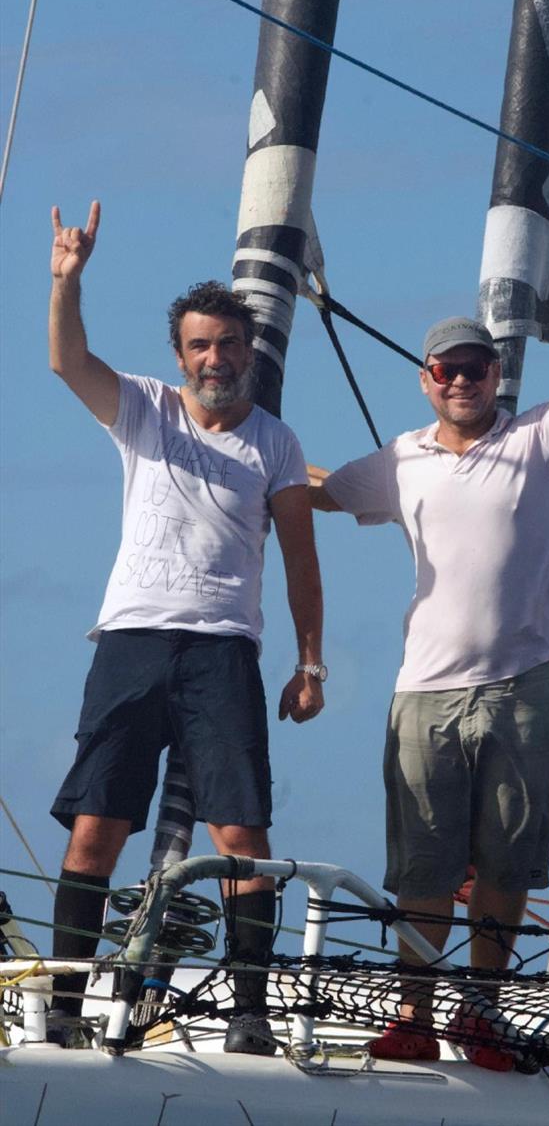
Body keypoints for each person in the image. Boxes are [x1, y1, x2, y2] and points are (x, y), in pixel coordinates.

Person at [309, 246, 549, 1070]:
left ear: (495, 373)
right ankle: (414, 1016)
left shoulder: (546, 435)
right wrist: (246, 470)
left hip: (522, 687)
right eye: (446, 368)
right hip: (427, 696)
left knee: (508, 863)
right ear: (426, 378)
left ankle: (480, 1014)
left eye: (475, 367)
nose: (461, 380)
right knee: (425, 868)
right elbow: (324, 492)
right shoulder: (401, 459)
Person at [47, 201, 326, 1054]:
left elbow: (300, 558)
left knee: (240, 834)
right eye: (201, 346)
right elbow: (67, 362)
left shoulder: (275, 443)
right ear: (181, 356)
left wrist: (311, 661)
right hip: (131, 641)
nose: (216, 358)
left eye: (230, 345)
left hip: (223, 651)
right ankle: (64, 1002)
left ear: (251, 354)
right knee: (98, 827)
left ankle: (250, 1010)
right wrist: (67, 282)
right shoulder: (143, 409)